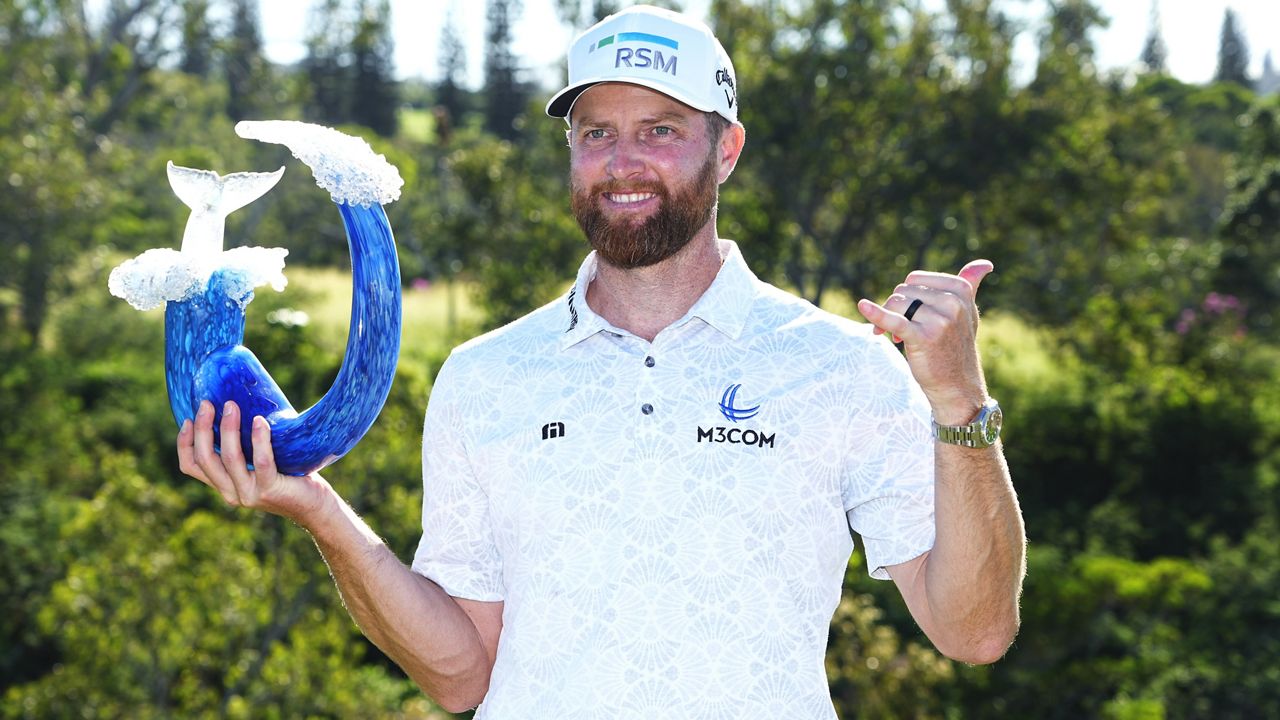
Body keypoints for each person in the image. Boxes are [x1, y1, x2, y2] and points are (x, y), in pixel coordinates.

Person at [178, 5, 1026, 717]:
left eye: (660, 130)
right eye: (597, 133)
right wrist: (319, 510)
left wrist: (962, 406)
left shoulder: (843, 366)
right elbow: (462, 672)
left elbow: (973, 631)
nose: (623, 163)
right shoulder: (485, 377)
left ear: (725, 149)